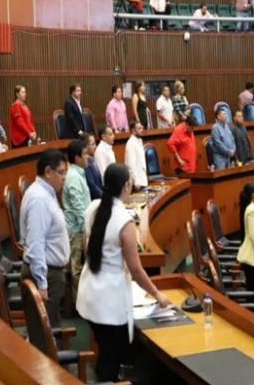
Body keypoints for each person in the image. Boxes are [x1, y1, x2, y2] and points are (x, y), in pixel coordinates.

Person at [76, 164, 171, 382]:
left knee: (106, 351)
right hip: (109, 300)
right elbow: (136, 269)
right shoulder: (124, 221)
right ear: (126, 186)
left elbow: (87, 246)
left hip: (89, 291)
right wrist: (157, 294)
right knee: (111, 356)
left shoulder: (93, 207)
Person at [20, 150, 70, 327]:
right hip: (46, 276)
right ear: (48, 171)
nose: (64, 178)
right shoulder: (39, 199)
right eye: (61, 172)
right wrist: (42, 284)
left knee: (50, 329)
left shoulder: (46, 192)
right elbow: (36, 244)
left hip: (51, 273)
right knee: (46, 333)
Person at [63, 138, 92, 299]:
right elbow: (78, 207)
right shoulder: (73, 177)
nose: (88, 157)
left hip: (81, 227)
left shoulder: (78, 173)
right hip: (76, 231)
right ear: (77, 158)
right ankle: (78, 303)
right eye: (85, 154)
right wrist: (87, 228)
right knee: (77, 267)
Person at [124, 122, 148, 190]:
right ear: (133, 130)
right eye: (139, 128)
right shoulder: (131, 143)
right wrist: (136, 181)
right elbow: (131, 165)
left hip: (142, 180)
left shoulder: (139, 141)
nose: (142, 130)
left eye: (142, 128)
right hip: (137, 183)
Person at [82, 132, 104, 200]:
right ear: (85, 146)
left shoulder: (92, 160)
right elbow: (92, 186)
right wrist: (105, 197)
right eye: (93, 144)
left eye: (95, 143)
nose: (95, 147)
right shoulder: (86, 164)